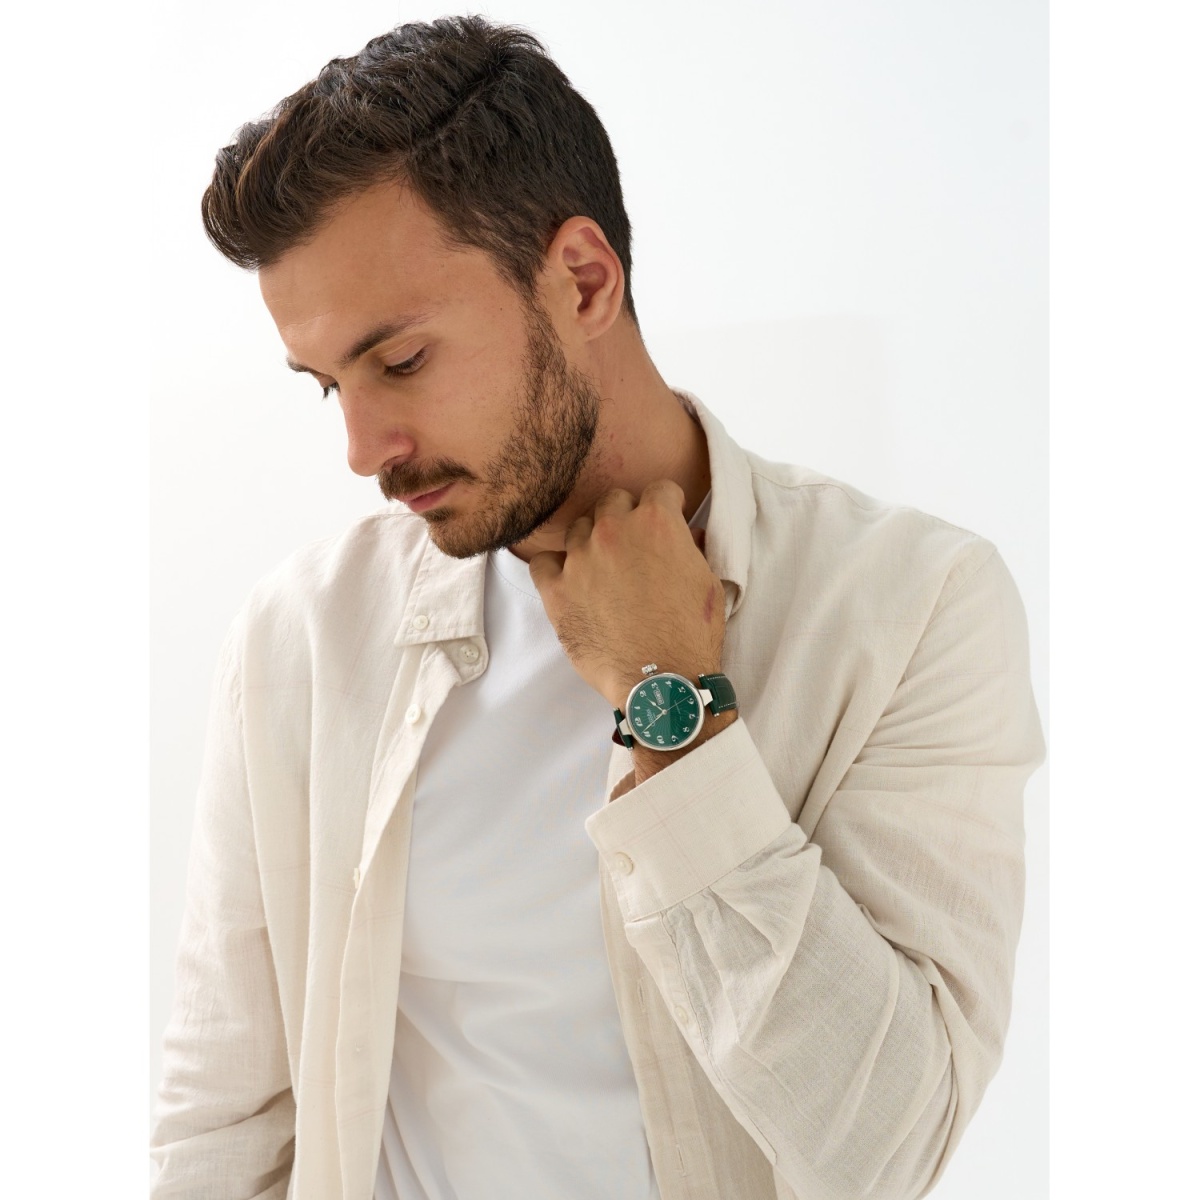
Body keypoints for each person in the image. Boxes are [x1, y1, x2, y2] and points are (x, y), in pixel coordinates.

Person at [151, 15, 1044, 1200]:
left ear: (582, 279)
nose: (365, 450)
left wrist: (675, 711)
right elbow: (222, 1128)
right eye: (329, 387)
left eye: (401, 362)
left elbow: (883, 1145)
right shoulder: (303, 637)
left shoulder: (911, 607)